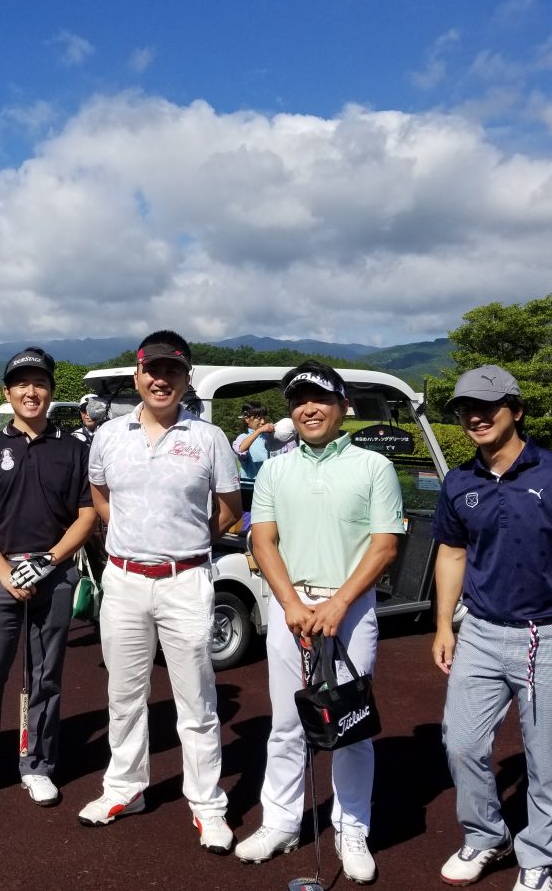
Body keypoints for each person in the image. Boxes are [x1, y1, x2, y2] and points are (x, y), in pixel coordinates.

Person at [431, 365, 552, 891]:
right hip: (479, 632)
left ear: (516, 411)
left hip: (549, 638)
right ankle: (485, 835)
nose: (474, 417)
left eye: (486, 407)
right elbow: (452, 552)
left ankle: (540, 855)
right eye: (465, 409)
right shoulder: (459, 481)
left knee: (548, 758)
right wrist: (444, 625)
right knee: (461, 744)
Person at [235, 361, 403, 884]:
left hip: (349, 609)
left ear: (342, 406)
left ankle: (351, 828)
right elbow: (264, 540)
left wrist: (338, 604)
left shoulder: (374, 466)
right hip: (292, 608)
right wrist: (290, 604)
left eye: (321, 399)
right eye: (299, 400)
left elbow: (385, 546)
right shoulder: (275, 468)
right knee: (287, 722)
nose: (309, 409)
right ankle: (281, 822)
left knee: (350, 723)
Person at [78, 330, 243, 855]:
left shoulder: (209, 438)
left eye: (172, 371)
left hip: (185, 579)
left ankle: (207, 804)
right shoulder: (109, 435)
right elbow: (100, 496)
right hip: (124, 579)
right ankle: (125, 789)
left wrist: (185, 541)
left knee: (196, 701)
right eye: (152, 370)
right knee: (124, 695)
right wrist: (133, 536)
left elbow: (230, 509)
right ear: (137, 376)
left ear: (186, 378)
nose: (161, 380)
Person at [0, 347, 96, 808]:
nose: (32, 392)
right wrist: (4, 570)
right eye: (22, 384)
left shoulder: (75, 450)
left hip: (54, 573)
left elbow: (87, 515)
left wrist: (50, 560)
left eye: (40, 384)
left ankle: (37, 764)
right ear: (7, 392)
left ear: (51, 390)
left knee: (44, 677)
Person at [233, 401, 281, 479]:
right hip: (251, 484)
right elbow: (241, 449)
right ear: (247, 419)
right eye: (259, 419)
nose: (263, 422)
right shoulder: (243, 437)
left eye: (264, 418)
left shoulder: (270, 436)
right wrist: (259, 430)